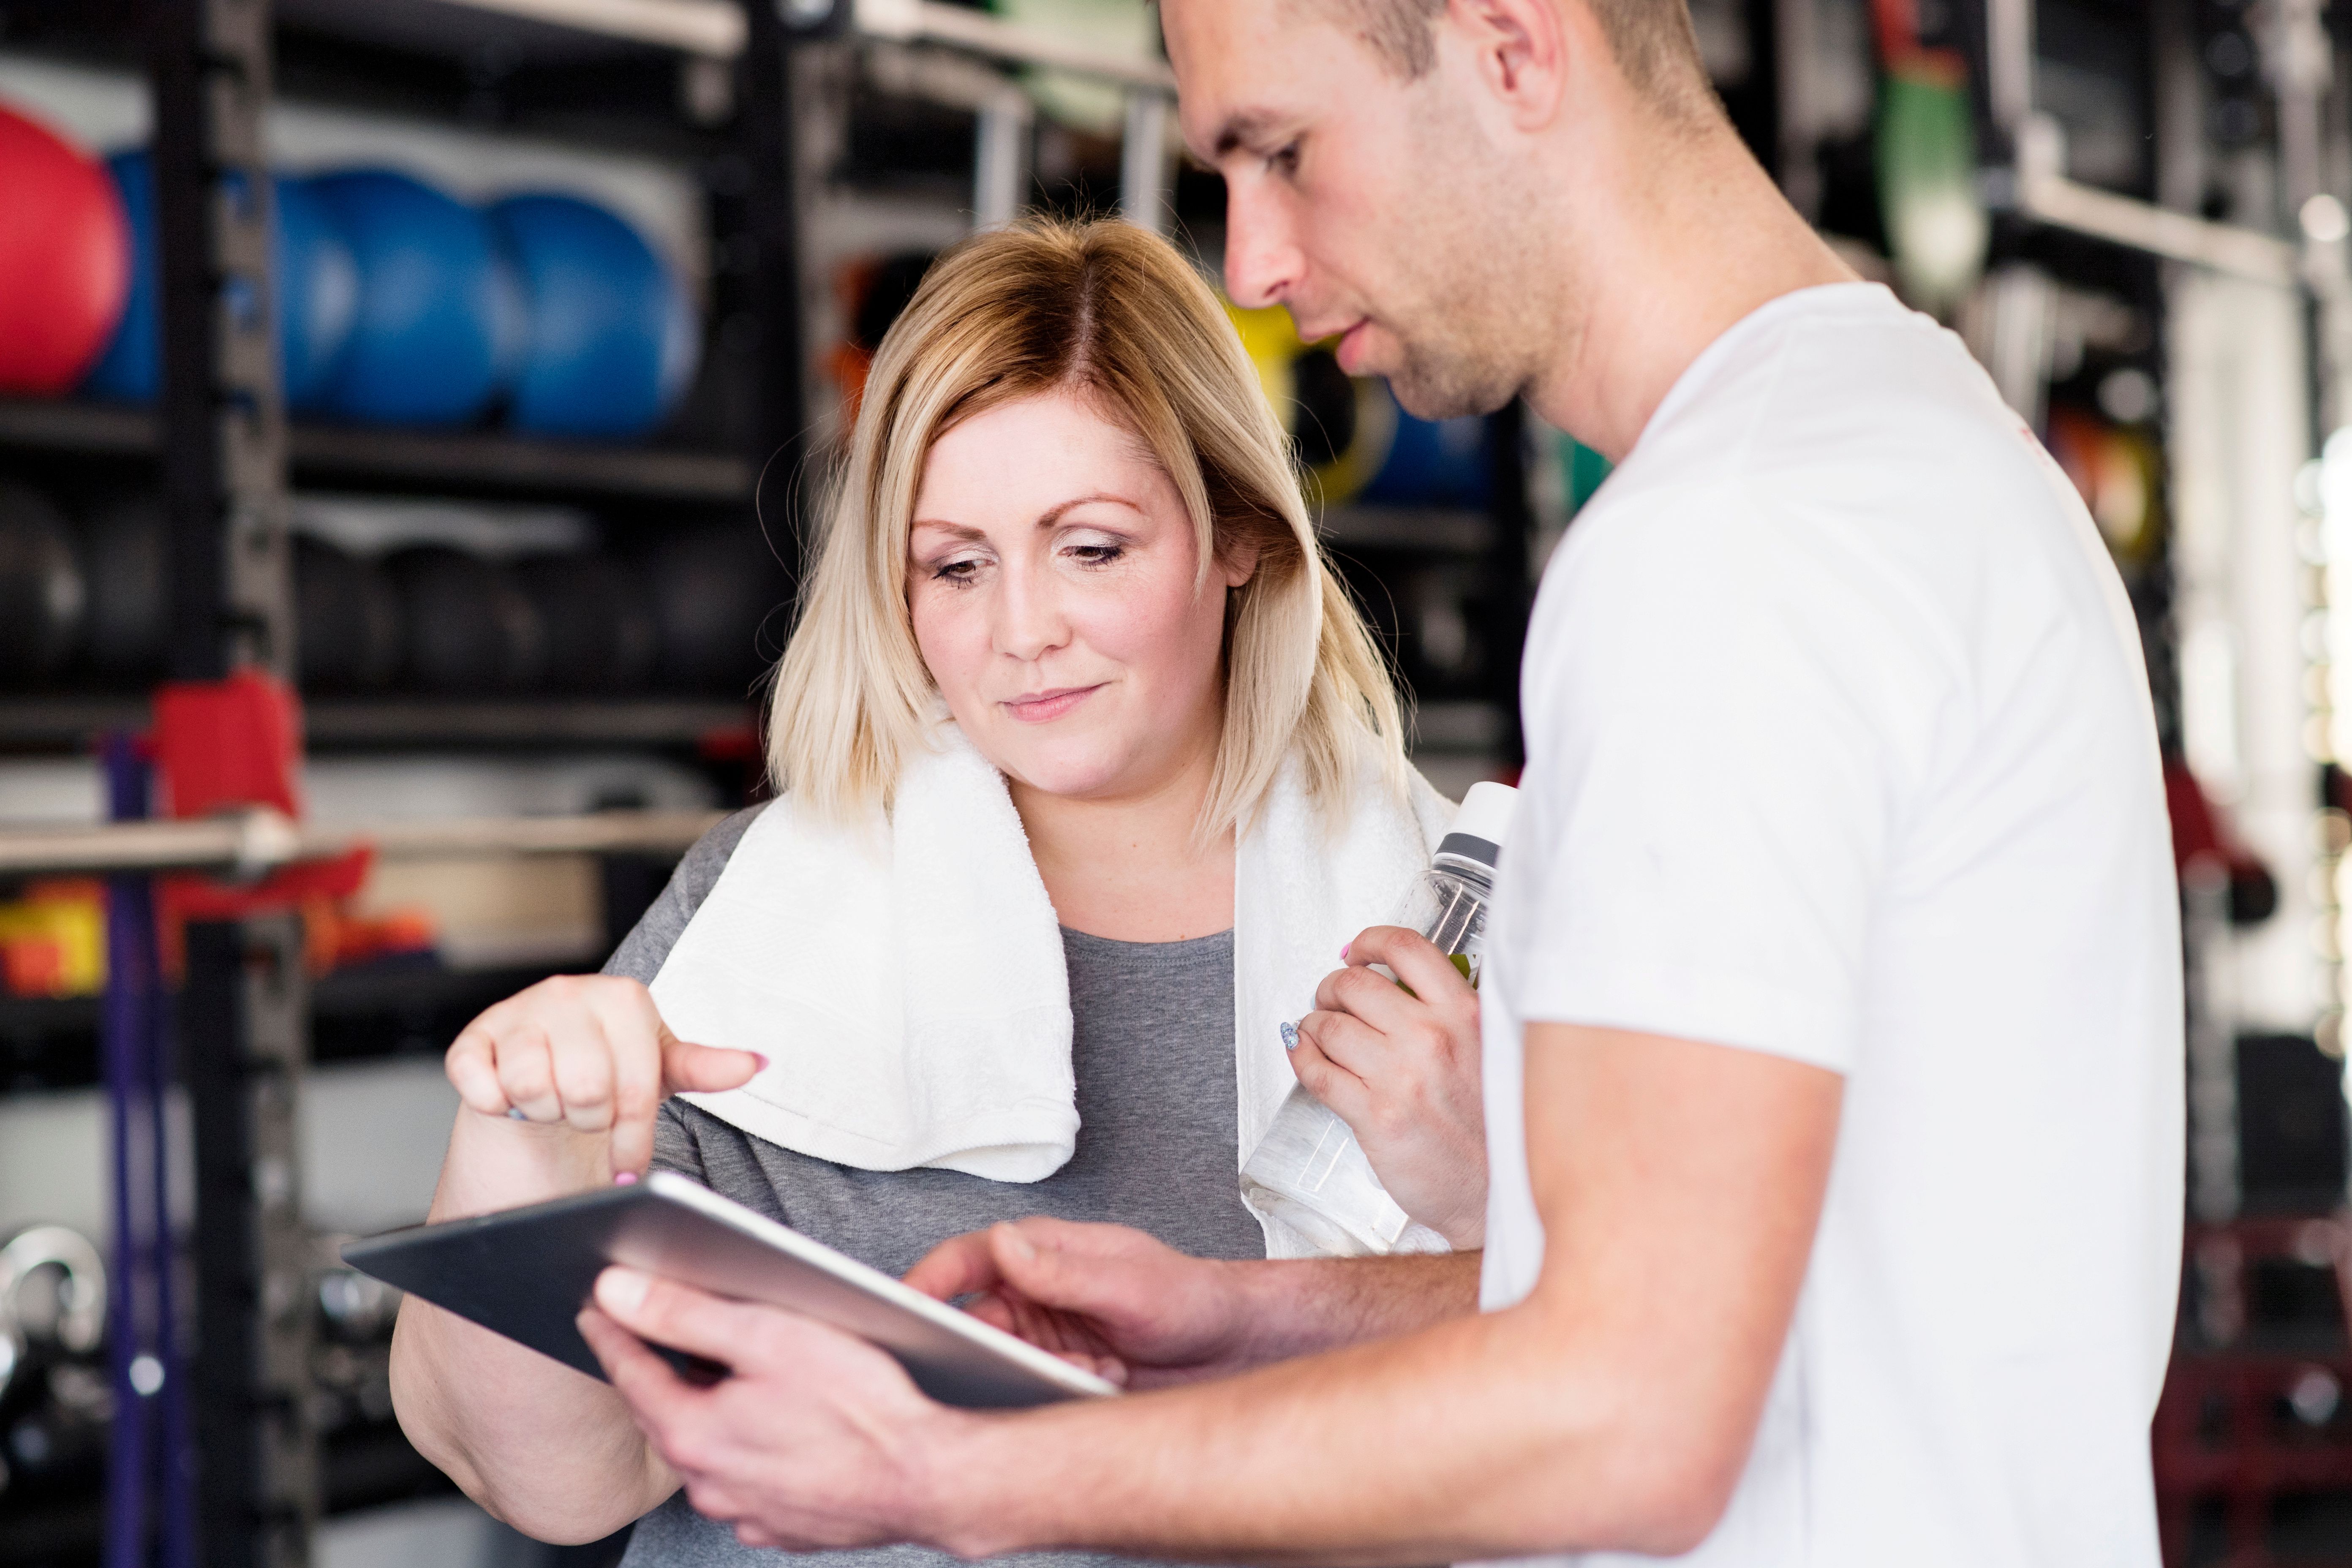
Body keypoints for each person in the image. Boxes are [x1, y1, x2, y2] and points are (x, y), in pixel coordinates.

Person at [569, 0, 2184, 1564]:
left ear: (1510, 45)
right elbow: (1743, 1300)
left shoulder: (1727, 546)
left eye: (1281, 150)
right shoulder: (1920, 446)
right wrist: (1252, 1317)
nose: (1254, 264)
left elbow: (1635, 1415)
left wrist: (963, 1475)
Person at [385, 218, 1494, 1560]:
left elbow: (1625, 1428)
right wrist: (520, 1146)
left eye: (1092, 548)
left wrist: (1495, 1203)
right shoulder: (766, 908)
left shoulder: (1465, 938)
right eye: (957, 566)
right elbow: (555, 1487)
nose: (1022, 632)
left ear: (1240, 535)